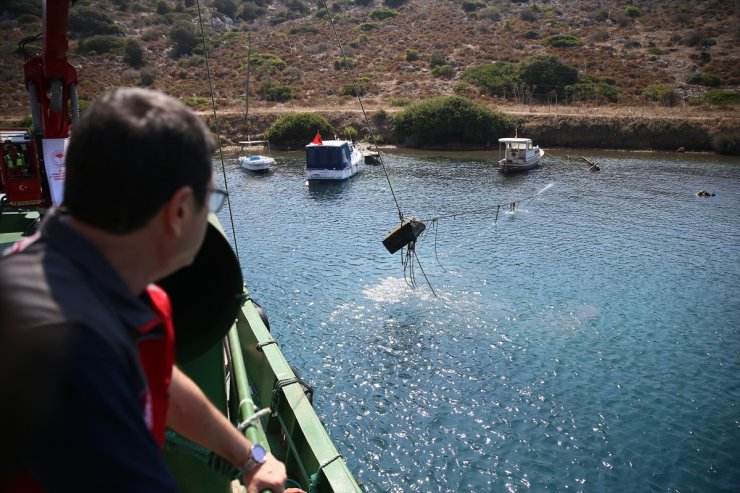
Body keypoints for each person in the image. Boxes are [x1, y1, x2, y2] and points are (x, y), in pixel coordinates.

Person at [0, 88, 291, 492]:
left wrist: (250, 456)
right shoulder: (71, 351)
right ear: (178, 212)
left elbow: (161, 381)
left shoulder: (111, 290)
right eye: (210, 201)